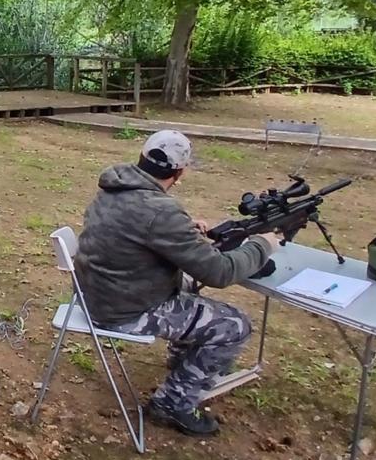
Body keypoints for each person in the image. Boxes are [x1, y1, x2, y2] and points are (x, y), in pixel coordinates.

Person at [74, 130, 279, 436]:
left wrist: (182, 230)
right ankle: (173, 403)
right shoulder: (160, 211)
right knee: (235, 326)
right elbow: (219, 273)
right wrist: (262, 245)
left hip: (97, 292)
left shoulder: (114, 188)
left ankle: (184, 363)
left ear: (141, 158)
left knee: (190, 286)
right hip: (123, 311)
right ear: (180, 172)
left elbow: (136, 231)